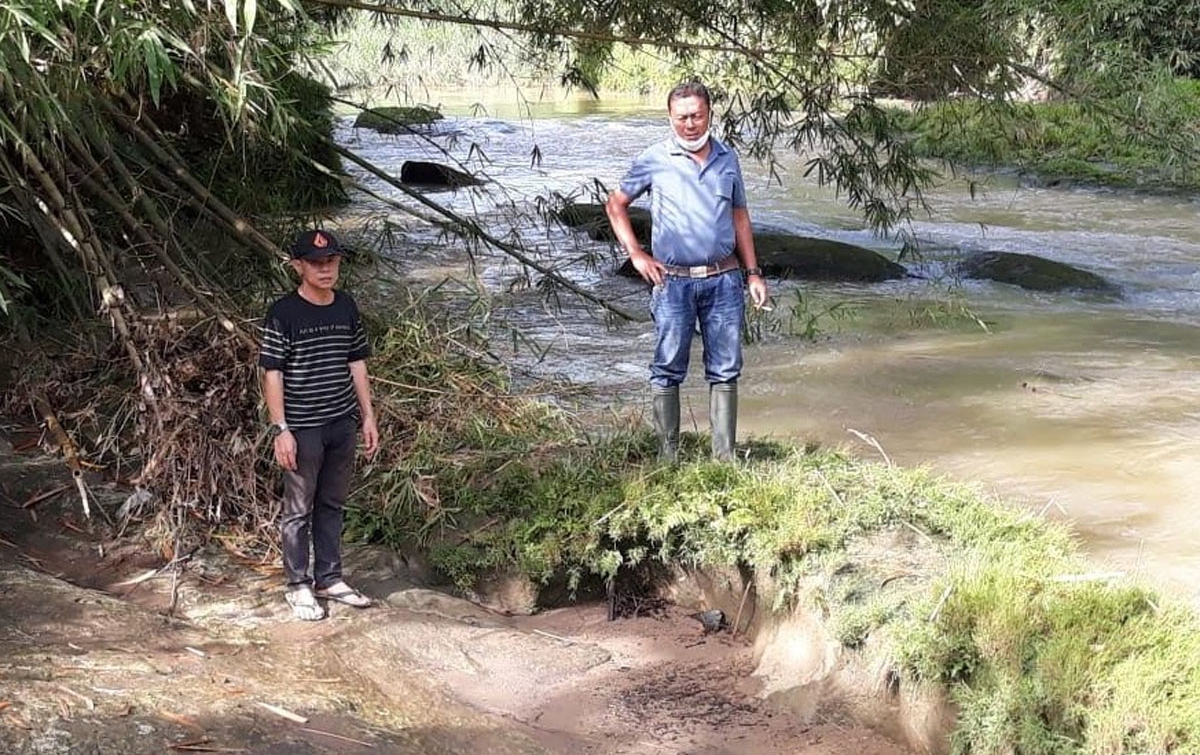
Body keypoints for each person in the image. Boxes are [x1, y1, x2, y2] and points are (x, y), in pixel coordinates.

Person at [606, 80, 769, 462]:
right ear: (670, 118)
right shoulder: (654, 158)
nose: (690, 124)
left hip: (724, 280)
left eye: (697, 115)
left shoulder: (728, 158)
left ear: (710, 114)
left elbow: (740, 216)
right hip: (672, 282)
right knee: (667, 368)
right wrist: (636, 254)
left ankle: (723, 458)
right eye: (682, 118)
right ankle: (668, 456)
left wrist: (754, 273)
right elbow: (616, 205)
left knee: (726, 369)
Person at [259, 229, 380, 620]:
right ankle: (298, 584)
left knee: (332, 503)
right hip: (302, 427)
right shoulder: (283, 313)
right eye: (315, 263)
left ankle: (329, 577)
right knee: (298, 508)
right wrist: (282, 429)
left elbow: (356, 362)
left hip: (341, 422)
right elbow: (272, 373)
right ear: (298, 266)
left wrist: (368, 416)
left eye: (331, 262)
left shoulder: (345, 306)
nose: (325, 269)